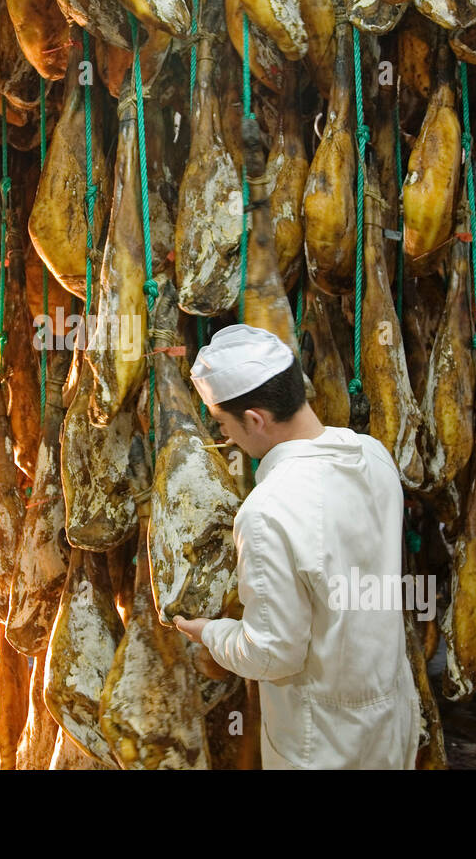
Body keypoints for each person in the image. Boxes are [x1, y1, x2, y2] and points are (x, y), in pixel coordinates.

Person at [172, 323, 420, 769]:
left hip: (322, 741)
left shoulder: (266, 511)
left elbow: (272, 655)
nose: (226, 437)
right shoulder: (374, 455)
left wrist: (209, 632)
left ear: (255, 419)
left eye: (224, 424)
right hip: (390, 717)